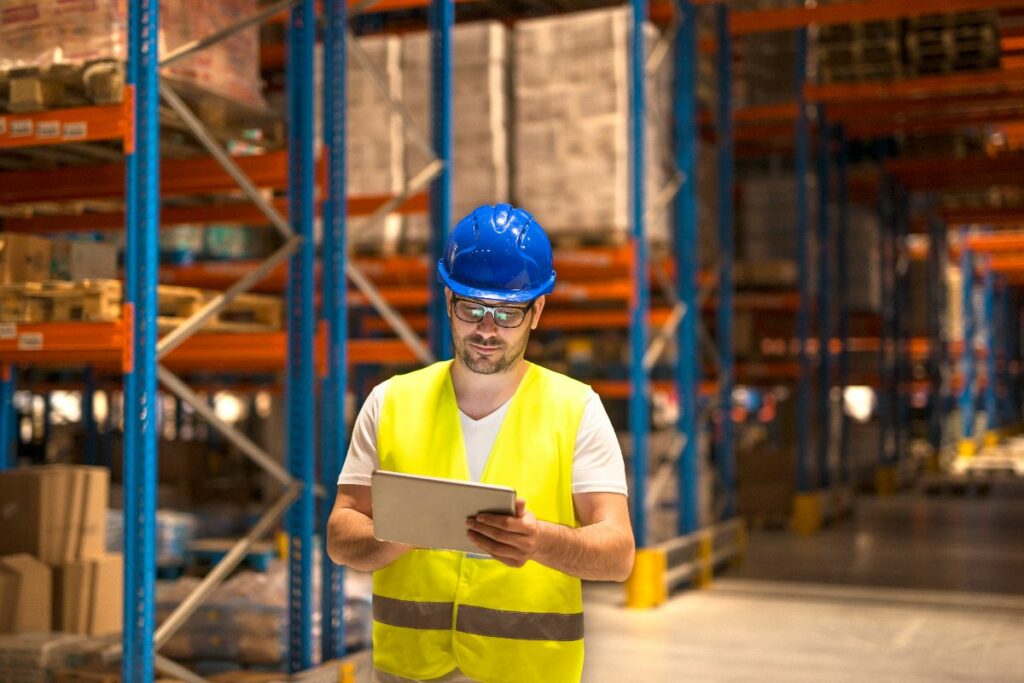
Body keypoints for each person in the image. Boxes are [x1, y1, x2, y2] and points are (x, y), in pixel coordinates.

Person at [326, 204, 635, 683]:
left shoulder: (577, 411)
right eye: (472, 309)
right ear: (448, 299)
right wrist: (399, 531)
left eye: (507, 313)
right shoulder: (390, 402)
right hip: (408, 671)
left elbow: (618, 554)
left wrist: (541, 541)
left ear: (537, 311)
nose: (487, 329)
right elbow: (340, 535)